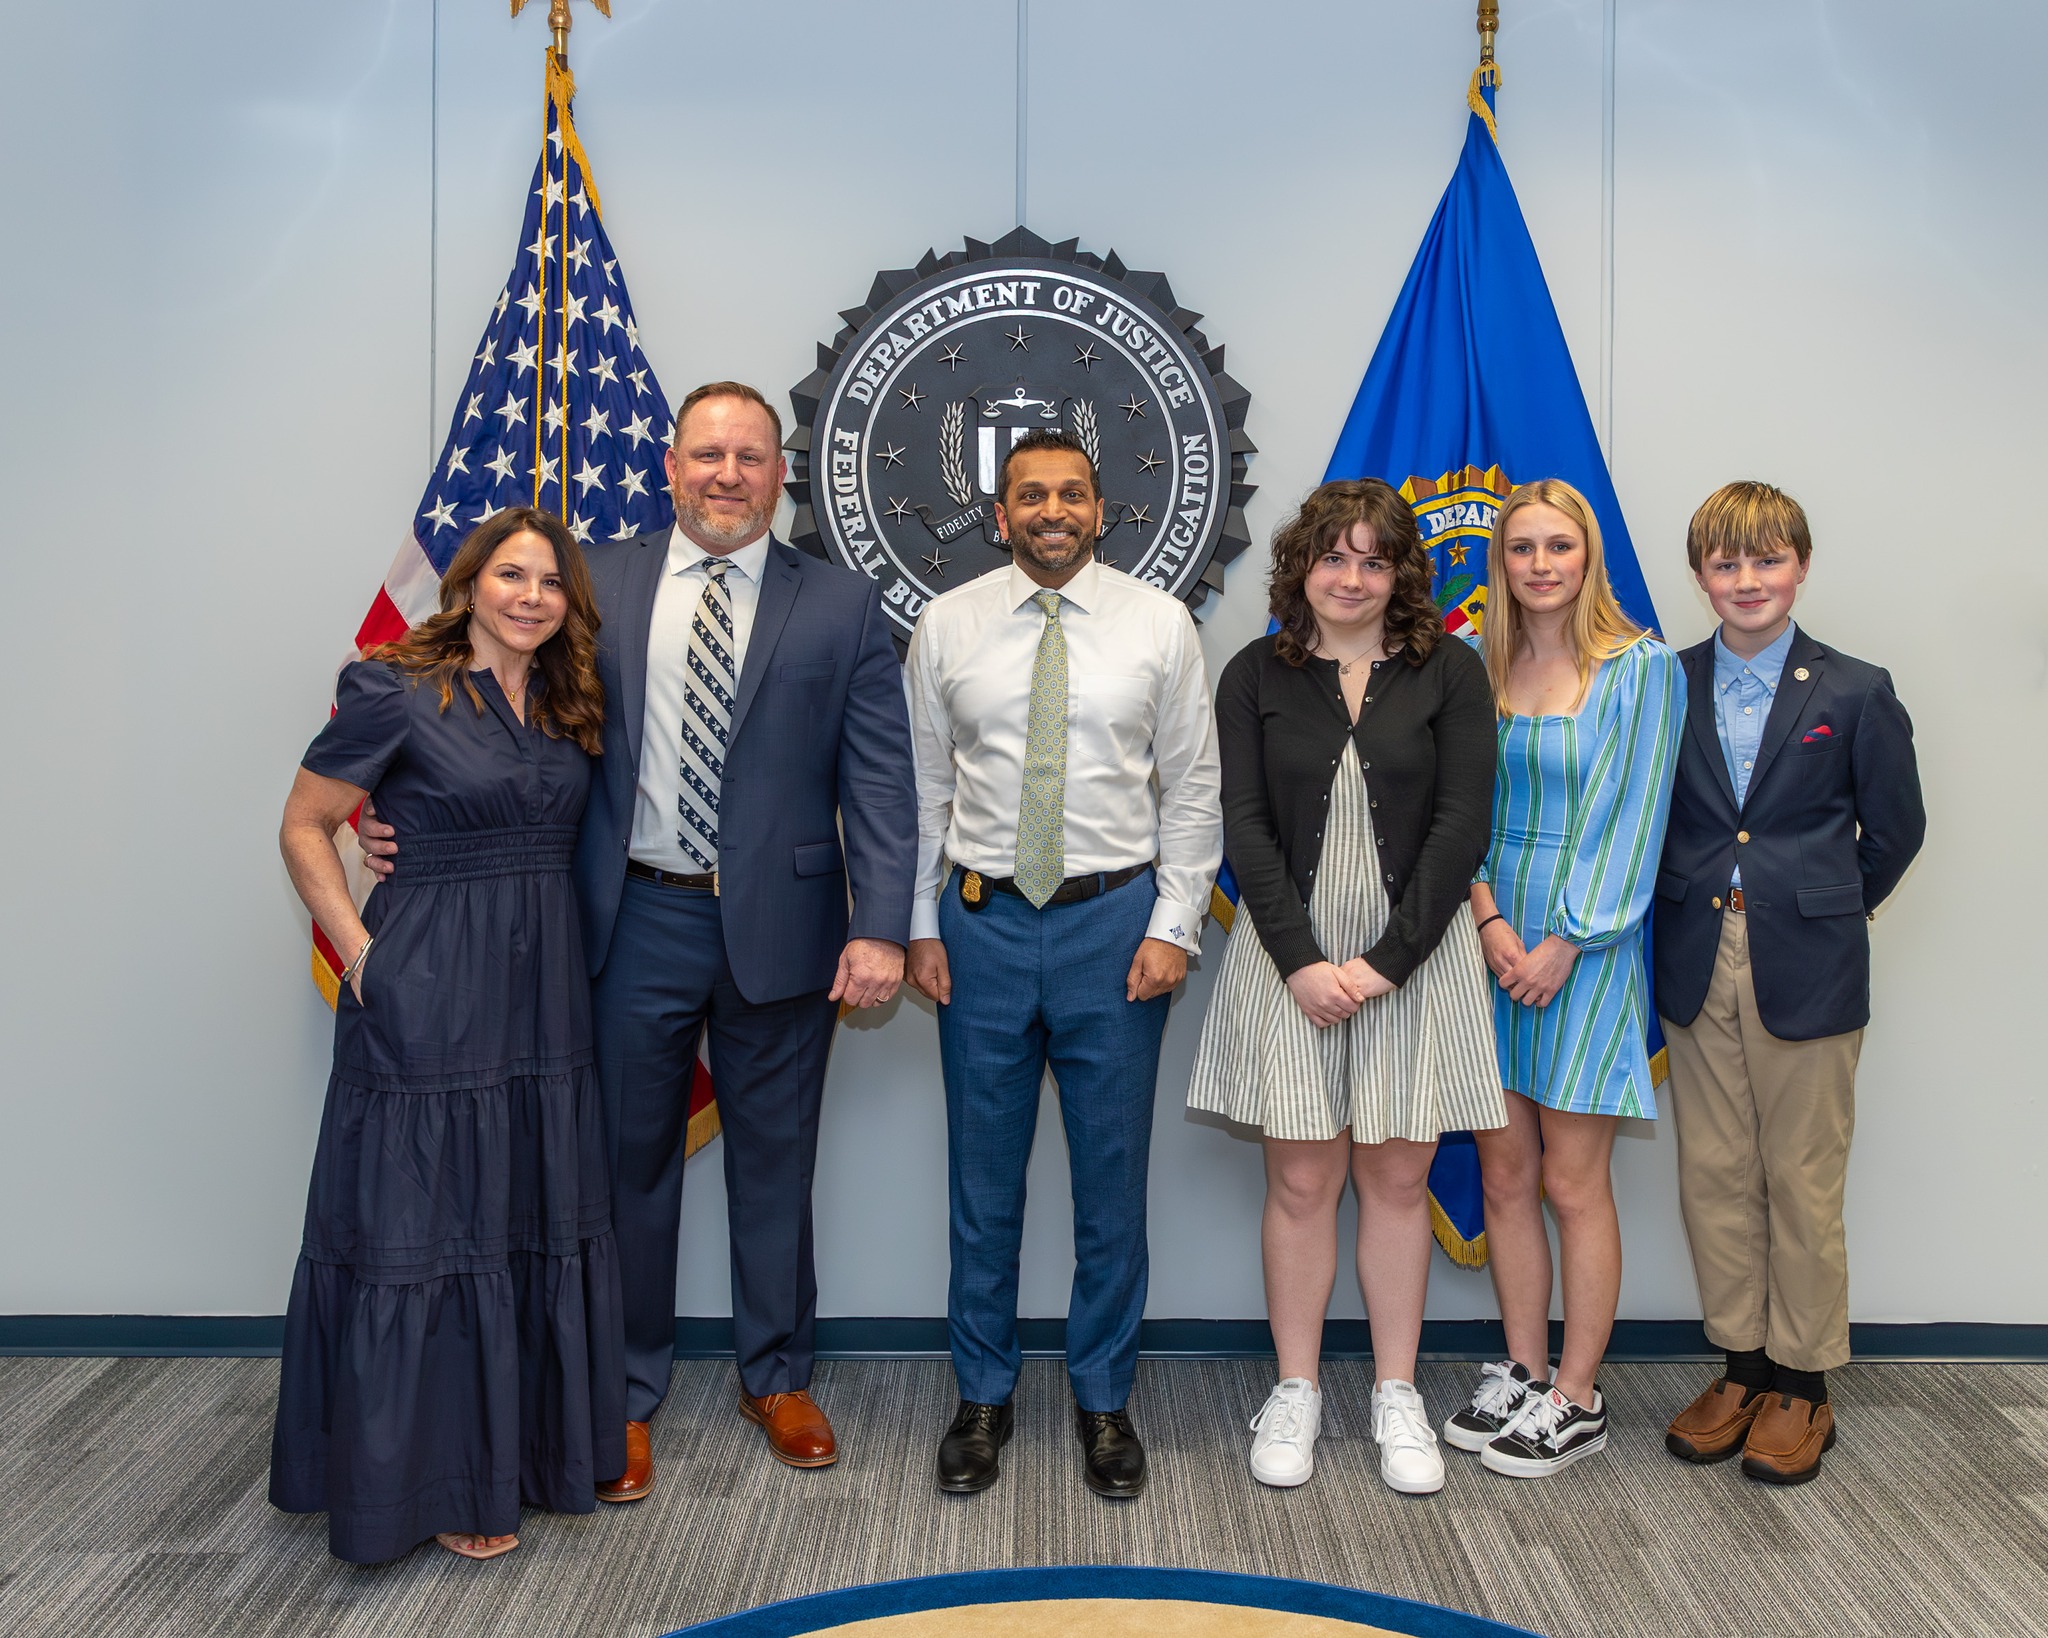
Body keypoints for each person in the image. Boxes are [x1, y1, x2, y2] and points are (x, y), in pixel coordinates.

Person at [362, 382, 917, 1499]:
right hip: (628, 916)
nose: (727, 474)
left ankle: (777, 1373)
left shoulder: (843, 605)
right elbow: (498, 700)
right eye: (707, 454)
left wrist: (881, 926)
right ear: (668, 466)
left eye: (750, 457)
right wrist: (401, 812)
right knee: (622, 1169)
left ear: (779, 474)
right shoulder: (591, 585)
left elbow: (881, 777)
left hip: (789, 929)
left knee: (775, 1161)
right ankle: (620, 1391)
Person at [270, 507, 623, 1563]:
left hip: (545, 996)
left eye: (550, 582)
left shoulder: (569, 701)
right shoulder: (393, 688)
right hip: (427, 983)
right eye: (510, 575)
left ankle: (517, 1459)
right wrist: (360, 953)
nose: (530, 596)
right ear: (465, 586)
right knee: (430, 1232)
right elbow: (303, 823)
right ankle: (426, 1483)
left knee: (522, 1214)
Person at [903, 429, 1222, 1499]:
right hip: (982, 927)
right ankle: (980, 1398)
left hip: (1112, 928)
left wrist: (1174, 924)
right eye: (1029, 494)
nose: (1051, 509)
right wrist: (919, 925)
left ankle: (1101, 1401)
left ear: (1101, 510)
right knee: (979, 1188)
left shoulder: (1158, 623)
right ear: (999, 515)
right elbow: (921, 794)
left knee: (1109, 1189)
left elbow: (1189, 787)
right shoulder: (947, 625)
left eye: (1070, 494)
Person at [1188, 479, 1503, 1496]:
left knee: (1398, 1184)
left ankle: (1396, 1394)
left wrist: (1379, 965)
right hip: (1289, 962)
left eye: (1373, 559)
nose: (1352, 576)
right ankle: (1295, 1389)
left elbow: (1461, 828)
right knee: (1298, 1184)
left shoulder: (1448, 671)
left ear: (1399, 573)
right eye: (1333, 557)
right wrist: (1302, 963)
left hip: (1413, 959)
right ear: (1301, 568)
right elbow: (1241, 824)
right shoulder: (1252, 675)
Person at [1656, 482, 1923, 1484]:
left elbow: (1895, 830)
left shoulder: (1852, 690)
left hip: (1804, 960)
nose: (1744, 581)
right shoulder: (1665, 682)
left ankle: (1804, 1384)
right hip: (1693, 954)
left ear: (1798, 567)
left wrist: (1819, 901)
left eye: (1764, 561)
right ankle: (1742, 1365)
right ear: (1699, 578)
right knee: (1713, 1174)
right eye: (1723, 565)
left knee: (1800, 1180)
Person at [1447, 478, 1684, 1479]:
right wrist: (1491, 919)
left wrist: (1563, 941)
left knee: (1571, 1179)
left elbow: (1632, 819)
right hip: (1489, 936)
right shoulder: (1476, 664)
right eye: (1520, 549)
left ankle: (1579, 1396)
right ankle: (1523, 1367)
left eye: (1559, 547)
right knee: (1503, 1173)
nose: (1539, 565)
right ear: (1497, 564)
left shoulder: (1639, 669)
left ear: (1588, 558)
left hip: (1584, 950)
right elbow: (1453, 808)